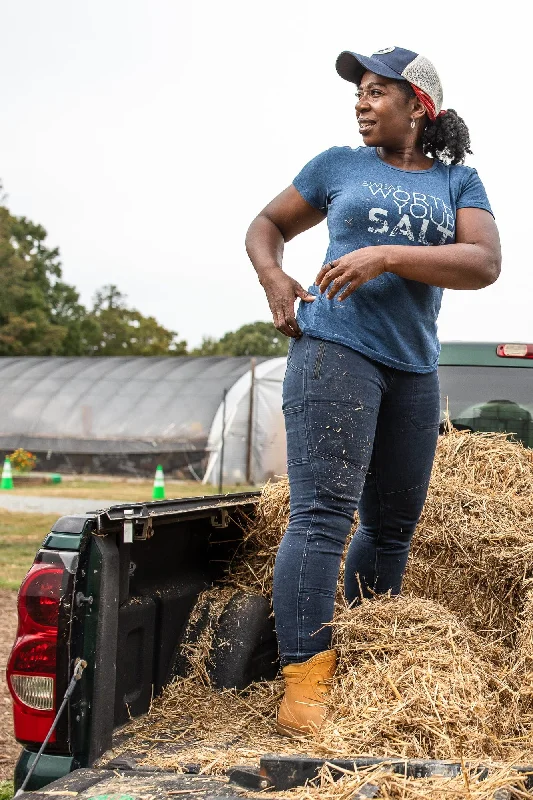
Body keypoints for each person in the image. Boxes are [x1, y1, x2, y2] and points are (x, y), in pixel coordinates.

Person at [245, 46, 501, 739]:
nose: (361, 102)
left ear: (419, 105)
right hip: (335, 351)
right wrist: (274, 277)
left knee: (390, 528)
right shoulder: (336, 165)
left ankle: (366, 652)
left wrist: (386, 255)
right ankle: (303, 683)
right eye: (357, 92)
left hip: (413, 368)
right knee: (324, 515)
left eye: (377, 91)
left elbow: (482, 262)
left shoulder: (458, 182)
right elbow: (265, 226)